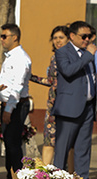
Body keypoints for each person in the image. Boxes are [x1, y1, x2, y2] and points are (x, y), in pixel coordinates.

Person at [53, 20, 96, 179]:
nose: (87, 40)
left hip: (88, 107)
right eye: (83, 36)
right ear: (72, 36)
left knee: (83, 149)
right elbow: (68, 71)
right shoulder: (63, 52)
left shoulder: (89, 53)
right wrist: (88, 56)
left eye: (90, 36)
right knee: (62, 150)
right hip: (69, 109)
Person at [0, 23, 31, 179]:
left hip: (15, 106)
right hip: (7, 104)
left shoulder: (20, 58)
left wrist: (9, 109)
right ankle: (10, 178)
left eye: (4, 36)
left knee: (13, 143)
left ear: (15, 37)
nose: (2, 39)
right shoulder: (10, 56)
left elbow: (17, 87)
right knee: (9, 142)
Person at [29, 25, 69, 164]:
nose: (58, 41)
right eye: (55, 38)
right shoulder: (54, 57)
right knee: (49, 140)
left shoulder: (72, 57)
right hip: (53, 105)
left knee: (67, 143)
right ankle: (44, 174)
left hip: (67, 105)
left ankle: (70, 176)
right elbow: (52, 81)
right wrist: (32, 77)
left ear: (68, 39)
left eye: (61, 38)